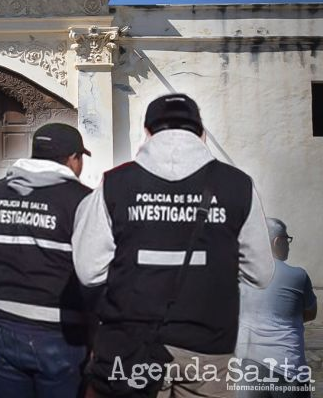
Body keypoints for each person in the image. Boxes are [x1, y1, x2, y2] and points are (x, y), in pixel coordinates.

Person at [73, 93, 275, 398]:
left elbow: (89, 272)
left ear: (148, 133)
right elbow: (260, 273)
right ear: (202, 134)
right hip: (207, 349)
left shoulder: (114, 184)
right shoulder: (238, 185)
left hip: (129, 351)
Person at [0, 123, 95, 398]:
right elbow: (95, 270)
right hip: (62, 331)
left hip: (7, 327)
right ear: (73, 158)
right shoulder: (83, 200)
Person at [236, 218, 317, 396]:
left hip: (249, 368)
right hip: (288, 367)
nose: (288, 245)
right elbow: (311, 313)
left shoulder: (240, 275)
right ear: (277, 241)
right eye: (287, 240)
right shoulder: (298, 275)